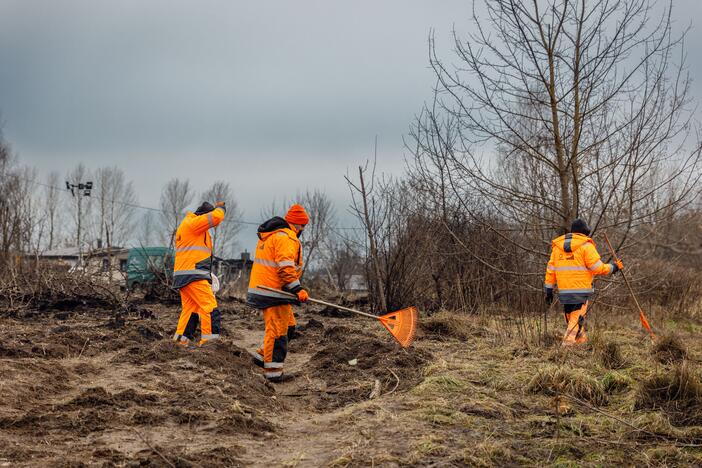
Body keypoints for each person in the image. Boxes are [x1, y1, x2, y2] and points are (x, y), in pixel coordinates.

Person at [247, 204, 309, 382]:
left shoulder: (275, 235)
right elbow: (285, 267)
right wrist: (297, 289)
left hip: (273, 290)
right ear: (296, 225)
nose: (303, 230)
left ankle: (261, 358)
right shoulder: (285, 237)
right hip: (272, 292)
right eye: (303, 226)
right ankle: (273, 373)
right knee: (278, 332)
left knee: (289, 327)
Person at [544, 219, 623, 346]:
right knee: (575, 320)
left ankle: (580, 343)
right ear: (585, 232)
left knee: (571, 318)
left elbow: (550, 271)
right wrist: (614, 267)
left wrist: (548, 290)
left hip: (564, 292)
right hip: (581, 291)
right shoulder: (586, 246)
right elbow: (598, 268)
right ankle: (568, 346)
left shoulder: (557, 249)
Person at [172, 201, 226, 348]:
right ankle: (210, 344)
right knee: (210, 308)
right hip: (193, 275)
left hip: (186, 275)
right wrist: (221, 207)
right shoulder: (194, 224)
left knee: (190, 310)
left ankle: (178, 345)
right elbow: (216, 217)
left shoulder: (191, 226)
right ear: (203, 216)